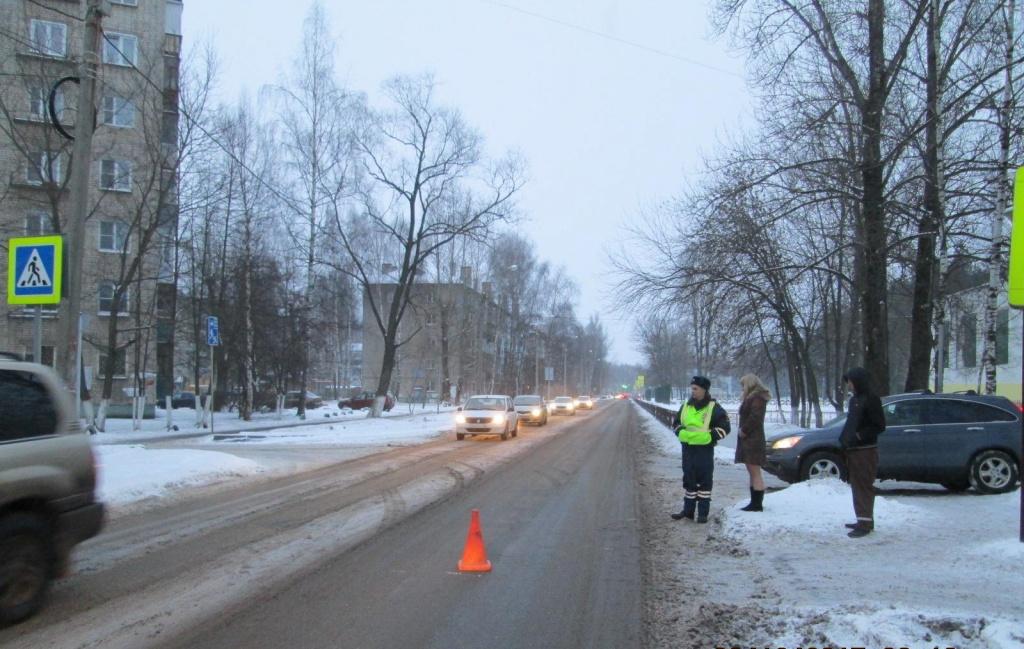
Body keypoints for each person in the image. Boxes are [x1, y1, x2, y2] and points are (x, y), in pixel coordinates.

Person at [670, 376, 730, 523]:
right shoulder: (686, 406)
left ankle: (702, 513)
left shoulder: (713, 407)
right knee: (689, 478)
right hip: (688, 449)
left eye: (695, 389)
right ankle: (688, 511)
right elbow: (676, 423)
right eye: (692, 389)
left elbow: (725, 427)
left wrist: (710, 437)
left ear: (704, 390)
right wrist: (680, 432)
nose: (693, 391)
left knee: (704, 480)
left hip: (704, 450)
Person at [839, 367, 886, 538]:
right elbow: (852, 423)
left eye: (850, 381)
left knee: (863, 486)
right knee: (857, 485)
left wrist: (858, 436)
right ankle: (862, 518)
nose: (849, 385)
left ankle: (865, 523)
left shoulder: (871, 399)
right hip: (853, 450)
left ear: (858, 381)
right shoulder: (855, 400)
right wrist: (844, 439)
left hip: (866, 450)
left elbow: (879, 425)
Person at [735, 374, 770, 512]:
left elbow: (755, 418)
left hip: (752, 440)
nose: (742, 388)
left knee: (755, 472)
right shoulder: (754, 398)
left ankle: (757, 504)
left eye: (743, 385)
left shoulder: (757, 399)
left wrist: (744, 430)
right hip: (750, 439)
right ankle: (754, 502)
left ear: (749, 384)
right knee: (752, 471)